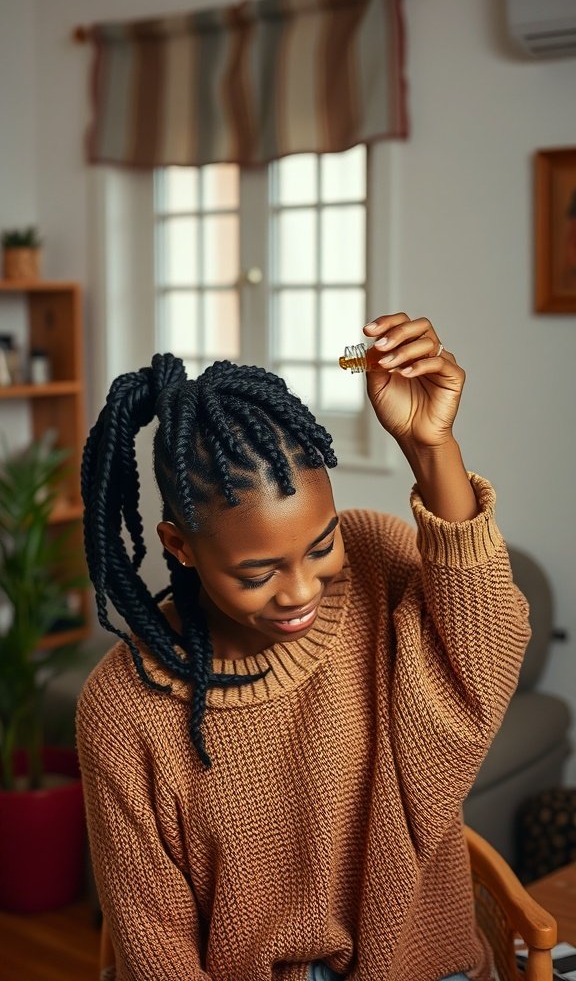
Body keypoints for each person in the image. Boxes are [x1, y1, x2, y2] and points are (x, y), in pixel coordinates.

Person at [77, 312, 530, 981]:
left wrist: (431, 447)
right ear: (180, 546)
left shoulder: (374, 558)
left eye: (320, 547)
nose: (299, 591)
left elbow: (489, 650)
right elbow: (156, 946)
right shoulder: (121, 708)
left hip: (422, 966)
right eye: (257, 573)